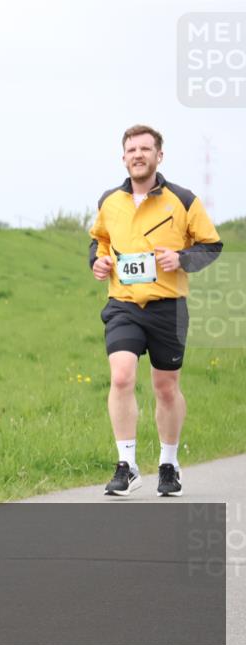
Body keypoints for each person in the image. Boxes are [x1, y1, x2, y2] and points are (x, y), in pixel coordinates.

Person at [89, 124, 222, 497]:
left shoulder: (183, 199)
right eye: (131, 149)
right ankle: (126, 464)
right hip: (124, 305)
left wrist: (181, 258)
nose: (138, 155)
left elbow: (211, 245)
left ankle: (168, 463)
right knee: (121, 376)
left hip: (168, 308)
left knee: (166, 388)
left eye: (145, 149)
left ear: (158, 156)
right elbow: (99, 241)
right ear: (123, 157)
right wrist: (97, 263)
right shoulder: (109, 201)